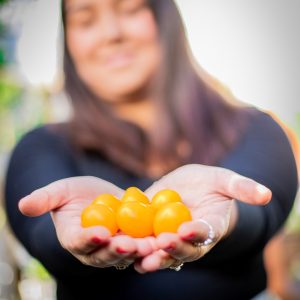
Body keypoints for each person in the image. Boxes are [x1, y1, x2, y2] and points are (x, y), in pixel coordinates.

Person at [4, 0, 298, 299]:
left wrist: (223, 216)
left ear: (165, 18)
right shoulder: (41, 147)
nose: (111, 33)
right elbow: (39, 231)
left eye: (130, 9)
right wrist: (71, 233)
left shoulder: (255, 128)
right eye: (85, 20)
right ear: (68, 43)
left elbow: (261, 212)